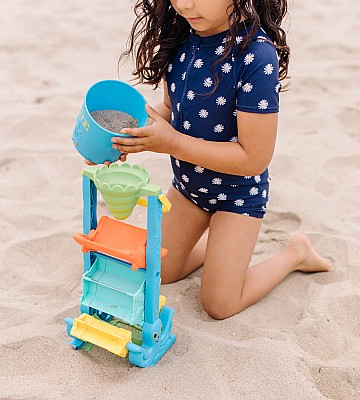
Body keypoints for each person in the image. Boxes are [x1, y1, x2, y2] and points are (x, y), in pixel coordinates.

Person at [93, 0, 333, 319]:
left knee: (219, 304)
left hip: (237, 198)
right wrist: (128, 138)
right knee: (160, 271)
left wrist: (173, 143)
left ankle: (295, 254)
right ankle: (220, 249)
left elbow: (253, 159)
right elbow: (169, 111)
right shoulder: (180, 36)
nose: (185, 4)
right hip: (188, 189)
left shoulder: (256, 55)